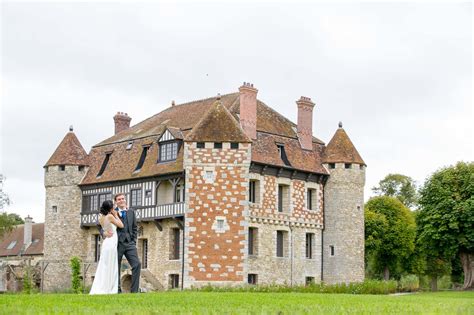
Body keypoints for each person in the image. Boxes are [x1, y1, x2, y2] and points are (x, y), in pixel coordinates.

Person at [89, 200, 123, 294]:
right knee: (110, 264)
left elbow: (103, 228)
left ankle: (102, 286)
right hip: (111, 242)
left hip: (107, 242)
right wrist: (116, 215)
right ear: (111, 209)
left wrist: (104, 233)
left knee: (104, 265)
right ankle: (108, 288)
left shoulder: (101, 217)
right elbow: (121, 225)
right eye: (113, 206)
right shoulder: (110, 216)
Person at [113, 193, 141, 293]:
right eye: (119, 199)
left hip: (130, 243)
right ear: (116, 202)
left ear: (125, 200)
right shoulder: (112, 213)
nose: (121, 200)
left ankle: (134, 291)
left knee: (137, 264)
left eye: (123, 199)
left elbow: (134, 227)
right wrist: (104, 234)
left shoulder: (131, 212)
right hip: (117, 244)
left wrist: (133, 240)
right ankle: (117, 290)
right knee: (116, 266)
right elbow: (101, 224)